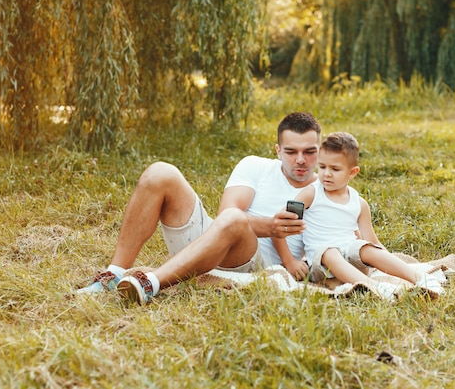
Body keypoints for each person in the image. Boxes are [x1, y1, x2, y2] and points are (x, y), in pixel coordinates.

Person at [77, 112, 320, 304]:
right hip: (211, 240)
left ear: (319, 152)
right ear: (278, 151)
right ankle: (113, 274)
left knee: (235, 219)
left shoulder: (324, 192)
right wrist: (270, 226)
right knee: (160, 173)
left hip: (253, 264)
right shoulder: (255, 166)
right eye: (291, 152)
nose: (300, 160)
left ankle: (150, 283)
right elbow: (226, 214)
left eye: (309, 152)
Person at [272, 132, 446, 299]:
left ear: (352, 172)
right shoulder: (310, 194)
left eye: (335, 169)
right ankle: (375, 287)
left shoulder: (359, 203)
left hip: (352, 259)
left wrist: (387, 262)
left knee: (365, 247)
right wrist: (290, 262)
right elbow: (279, 225)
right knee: (331, 252)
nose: (326, 173)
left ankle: (418, 277)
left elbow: (373, 242)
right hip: (322, 263)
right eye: (322, 166)